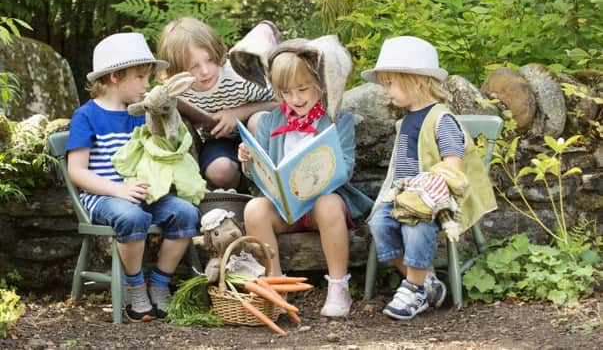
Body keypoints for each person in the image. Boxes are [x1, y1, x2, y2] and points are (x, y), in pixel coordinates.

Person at [66, 32, 201, 322]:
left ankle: (160, 283)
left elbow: (160, 150)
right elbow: (76, 171)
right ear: (115, 76)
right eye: (140, 78)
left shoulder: (142, 113)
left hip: (142, 193)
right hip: (102, 196)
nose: (147, 85)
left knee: (186, 213)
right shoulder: (86, 116)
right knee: (132, 217)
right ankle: (134, 284)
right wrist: (117, 189)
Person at [361, 35, 497, 320]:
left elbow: (452, 166)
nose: (385, 91)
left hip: (436, 198)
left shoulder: (442, 119)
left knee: (416, 223)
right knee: (379, 223)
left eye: (390, 83)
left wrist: (427, 187)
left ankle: (413, 287)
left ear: (417, 80)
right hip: (405, 194)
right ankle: (425, 282)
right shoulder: (408, 118)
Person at [238, 38, 373, 318]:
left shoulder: (337, 121)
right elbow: (261, 173)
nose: (295, 99)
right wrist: (249, 161)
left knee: (328, 203)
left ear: (320, 85)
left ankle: (338, 286)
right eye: (286, 92)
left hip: (320, 207)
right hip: (285, 208)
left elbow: (345, 168)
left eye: (303, 89)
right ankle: (276, 283)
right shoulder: (271, 122)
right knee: (254, 209)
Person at [157, 17, 278, 191]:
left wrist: (237, 113)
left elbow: (279, 102)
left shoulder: (239, 76)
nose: (205, 71)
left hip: (257, 137)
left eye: (210, 60)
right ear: (176, 69)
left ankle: (267, 187)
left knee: (257, 121)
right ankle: (240, 195)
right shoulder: (178, 89)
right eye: (193, 67)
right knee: (218, 171)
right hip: (220, 140)